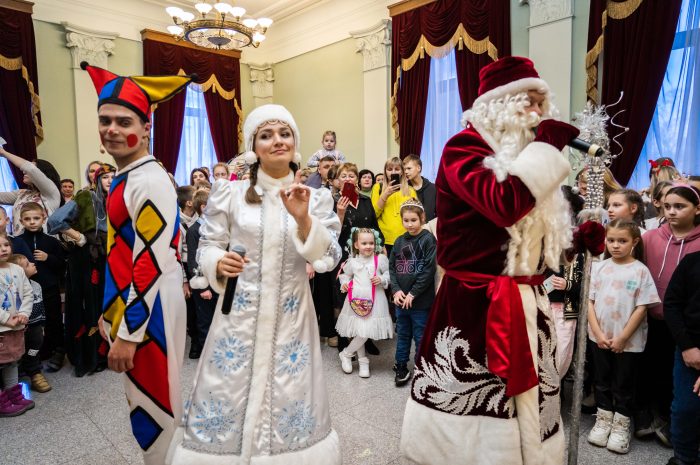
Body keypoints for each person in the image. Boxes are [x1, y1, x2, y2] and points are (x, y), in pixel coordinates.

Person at [399, 56, 604, 465]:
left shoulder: (528, 158)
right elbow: (504, 204)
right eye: (526, 102)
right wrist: (546, 145)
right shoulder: (463, 149)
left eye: (539, 103)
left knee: (532, 410)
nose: (536, 111)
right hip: (475, 306)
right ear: (498, 105)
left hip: (530, 302)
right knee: (479, 421)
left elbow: (527, 238)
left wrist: (574, 241)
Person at [170, 104, 342, 464]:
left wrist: (304, 221)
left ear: (295, 142)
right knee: (228, 391)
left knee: (289, 392)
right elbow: (207, 246)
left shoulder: (317, 198)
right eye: (266, 135)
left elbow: (329, 257)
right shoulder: (228, 194)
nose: (277, 141)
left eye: (284, 133)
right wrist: (218, 262)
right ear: (254, 147)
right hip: (237, 317)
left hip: (292, 317)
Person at [81, 61, 192, 465]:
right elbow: (121, 255)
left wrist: (128, 332)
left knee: (156, 405)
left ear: (146, 127)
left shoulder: (148, 180)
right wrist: (112, 315)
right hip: (138, 307)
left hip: (152, 310)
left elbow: (149, 261)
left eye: (122, 120)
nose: (111, 128)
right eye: (104, 120)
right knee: (145, 402)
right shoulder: (129, 174)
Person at [587, 219, 659, 454]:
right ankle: (603, 420)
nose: (615, 245)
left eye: (622, 241)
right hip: (599, 338)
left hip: (628, 342)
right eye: (611, 240)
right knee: (601, 381)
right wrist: (597, 333)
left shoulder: (640, 270)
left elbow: (641, 307)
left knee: (624, 384)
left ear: (635, 242)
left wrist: (622, 338)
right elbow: (589, 302)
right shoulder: (599, 267)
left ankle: (621, 425)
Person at [640, 184, 700, 445]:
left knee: (673, 374)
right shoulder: (650, 237)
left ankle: (671, 422)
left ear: (697, 209)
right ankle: (650, 416)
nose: (672, 212)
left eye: (680, 206)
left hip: (684, 324)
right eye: (668, 207)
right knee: (649, 368)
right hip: (648, 315)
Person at [48, 164, 115, 376]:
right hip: (85, 259)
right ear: (97, 180)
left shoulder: (118, 201)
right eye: (106, 177)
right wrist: (79, 237)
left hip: (106, 259)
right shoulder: (85, 197)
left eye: (114, 177)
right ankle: (87, 356)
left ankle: (105, 353)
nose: (110, 181)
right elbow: (55, 221)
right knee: (87, 305)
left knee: (105, 304)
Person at [334, 163, 383, 355]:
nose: (348, 178)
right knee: (344, 296)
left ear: (356, 179)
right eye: (344, 175)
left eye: (351, 175)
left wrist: (380, 248)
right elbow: (330, 233)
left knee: (364, 296)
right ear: (338, 181)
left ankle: (365, 337)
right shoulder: (334, 200)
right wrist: (339, 213)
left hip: (365, 255)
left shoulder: (365, 200)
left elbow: (374, 227)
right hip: (343, 256)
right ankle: (343, 338)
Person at [390, 199, 436, 387]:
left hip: (420, 302)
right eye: (406, 220)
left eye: (413, 220)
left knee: (420, 335)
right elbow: (392, 268)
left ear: (422, 218)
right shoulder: (399, 241)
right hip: (401, 301)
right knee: (402, 334)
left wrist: (413, 293)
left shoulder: (427, 239)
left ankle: (421, 368)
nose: (409, 224)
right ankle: (401, 365)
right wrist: (396, 290)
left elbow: (428, 269)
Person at [336, 228, 392, 378]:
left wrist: (382, 279)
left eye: (371, 243)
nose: (368, 246)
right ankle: (362, 360)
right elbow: (345, 276)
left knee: (365, 331)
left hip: (375, 300)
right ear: (356, 244)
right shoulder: (352, 261)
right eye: (364, 243)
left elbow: (388, 274)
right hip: (356, 299)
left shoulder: (380, 259)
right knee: (360, 329)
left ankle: (346, 354)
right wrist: (345, 284)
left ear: (376, 244)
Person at [16, 202, 65, 372]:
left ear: (43, 218)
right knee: (33, 325)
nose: (32, 222)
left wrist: (48, 258)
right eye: (27, 219)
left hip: (49, 288)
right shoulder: (18, 242)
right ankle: (37, 353)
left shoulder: (51, 242)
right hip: (27, 292)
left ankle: (58, 350)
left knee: (54, 320)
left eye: (36, 218)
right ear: (21, 221)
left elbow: (61, 266)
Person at [663, 250, 700, 465]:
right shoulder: (691, 262)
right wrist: (687, 347)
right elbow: (672, 304)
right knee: (685, 407)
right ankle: (684, 457)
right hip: (690, 350)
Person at [0, 233, 35, 416]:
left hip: (16, 327)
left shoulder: (17, 269)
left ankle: (15, 395)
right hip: (2, 328)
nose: (3, 249)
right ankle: (2, 401)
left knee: (12, 362)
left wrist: (23, 313)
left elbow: (28, 294)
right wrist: (6, 318)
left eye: (6, 244)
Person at [8, 253, 50, 392]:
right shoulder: (12, 290)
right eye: (27, 264)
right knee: (17, 352)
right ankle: (17, 374)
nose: (32, 264)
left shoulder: (37, 285)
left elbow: (42, 306)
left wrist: (42, 325)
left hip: (36, 327)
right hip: (19, 329)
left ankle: (34, 371)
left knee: (34, 348)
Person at [0, 147, 61, 235]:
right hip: (21, 245)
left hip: (44, 245)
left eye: (32, 168)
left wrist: (4, 153)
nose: (24, 172)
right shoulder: (23, 193)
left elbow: (29, 168)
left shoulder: (50, 193)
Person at [185, 189, 217, 352]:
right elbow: (192, 261)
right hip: (203, 284)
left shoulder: (217, 228)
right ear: (204, 207)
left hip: (217, 282)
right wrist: (203, 286)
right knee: (205, 321)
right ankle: (207, 357)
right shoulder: (193, 231)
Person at [371, 157, 417, 256]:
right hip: (384, 239)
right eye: (389, 169)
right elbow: (373, 214)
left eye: (397, 169)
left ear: (402, 172)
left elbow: (415, 215)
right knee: (385, 270)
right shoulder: (377, 188)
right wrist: (385, 195)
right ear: (385, 171)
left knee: (405, 270)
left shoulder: (410, 190)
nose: (393, 172)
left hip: (406, 238)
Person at [176, 185, 201, 359]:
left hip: (202, 263)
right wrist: (185, 280)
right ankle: (194, 340)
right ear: (189, 202)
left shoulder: (202, 219)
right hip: (185, 265)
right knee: (191, 305)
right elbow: (177, 253)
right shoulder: (177, 222)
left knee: (203, 304)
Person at [403, 155, 437, 221]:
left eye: (409, 168)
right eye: (404, 169)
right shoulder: (404, 189)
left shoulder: (433, 188)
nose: (406, 172)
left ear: (418, 168)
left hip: (429, 229)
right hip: (410, 228)